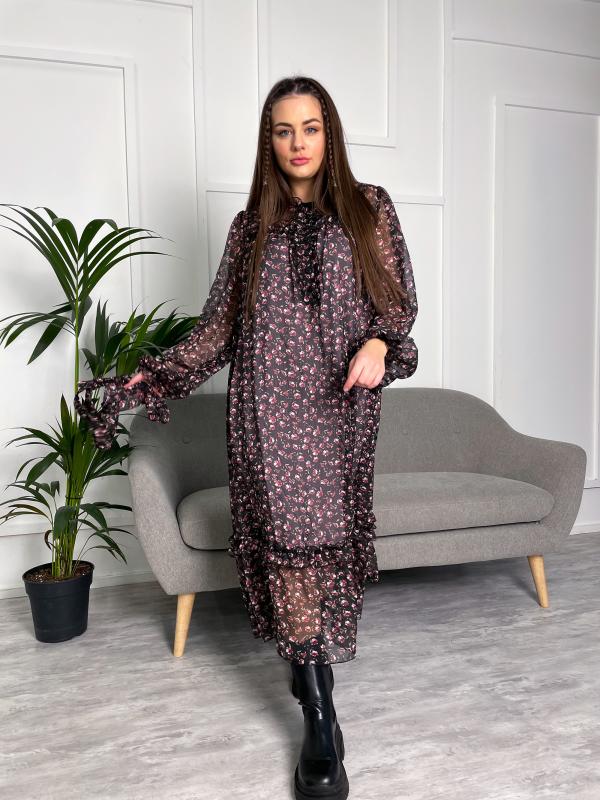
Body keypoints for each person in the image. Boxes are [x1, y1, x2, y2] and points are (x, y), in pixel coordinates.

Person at [74, 75, 418, 800]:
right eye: (284, 130)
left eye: (311, 128)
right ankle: (320, 718)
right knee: (289, 544)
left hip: (339, 410)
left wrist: (380, 344)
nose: (299, 143)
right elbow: (217, 332)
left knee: (321, 544)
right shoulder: (249, 228)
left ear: (330, 133)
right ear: (269, 141)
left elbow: (396, 306)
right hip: (265, 411)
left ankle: (307, 670)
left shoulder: (370, 208)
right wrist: (147, 379)